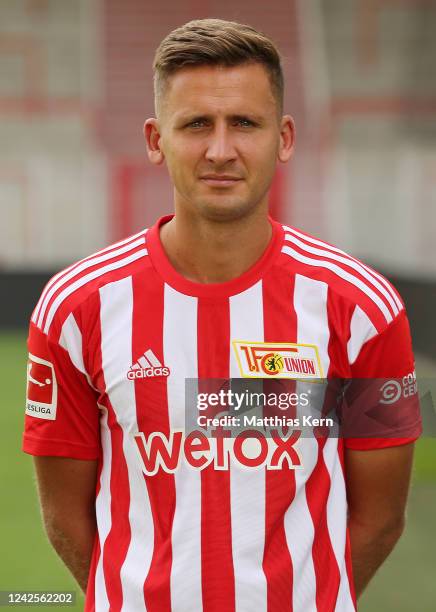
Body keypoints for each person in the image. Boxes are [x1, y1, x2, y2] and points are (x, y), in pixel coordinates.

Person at [23, 18, 421, 612]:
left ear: (283, 137)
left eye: (244, 123)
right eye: (196, 125)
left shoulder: (363, 307)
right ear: (156, 140)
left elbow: (381, 518)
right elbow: (65, 516)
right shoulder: (75, 308)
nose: (220, 149)